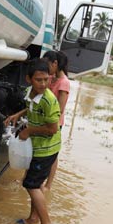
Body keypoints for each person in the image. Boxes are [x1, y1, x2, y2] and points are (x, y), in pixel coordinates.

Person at [5, 58, 61, 224]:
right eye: (39, 80)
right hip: (38, 148)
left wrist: (29, 131)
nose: (43, 84)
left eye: (46, 79)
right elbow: (31, 108)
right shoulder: (31, 93)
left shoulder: (49, 100)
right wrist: (18, 114)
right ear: (29, 79)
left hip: (47, 149)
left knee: (31, 185)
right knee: (32, 182)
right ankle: (33, 218)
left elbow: (53, 129)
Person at [43, 50, 70, 190]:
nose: (46, 68)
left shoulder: (64, 83)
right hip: (45, 121)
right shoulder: (52, 78)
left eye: (48, 65)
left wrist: (49, 122)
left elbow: (60, 108)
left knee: (52, 155)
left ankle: (48, 185)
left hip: (54, 124)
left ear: (55, 64)